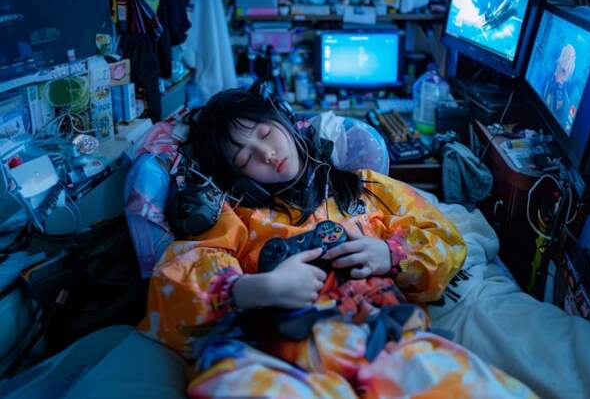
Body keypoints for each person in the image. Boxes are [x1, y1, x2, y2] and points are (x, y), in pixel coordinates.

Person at [139, 87, 537, 398]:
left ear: (286, 121)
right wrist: (250, 288)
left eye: (264, 134)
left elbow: (443, 237)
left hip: (381, 338)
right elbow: (174, 279)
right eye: (244, 159)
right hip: (276, 352)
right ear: (235, 175)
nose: (266, 153)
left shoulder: (364, 188)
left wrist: (392, 254)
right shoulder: (235, 217)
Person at [542, 43, 577, 131]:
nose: (556, 72)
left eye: (561, 70)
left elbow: (557, 108)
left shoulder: (562, 93)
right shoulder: (551, 79)